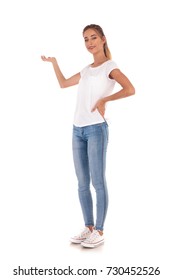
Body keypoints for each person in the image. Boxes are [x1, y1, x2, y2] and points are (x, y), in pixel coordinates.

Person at [41, 24, 135, 248]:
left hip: (96, 129)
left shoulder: (110, 67)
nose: (89, 42)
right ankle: (88, 227)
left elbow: (130, 89)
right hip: (77, 129)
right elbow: (64, 84)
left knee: (97, 182)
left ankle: (100, 230)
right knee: (82, 183)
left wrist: (105, 100)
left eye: (93, 37)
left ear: (103, 39)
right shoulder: (86, 70)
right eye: (85, 39)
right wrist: (54, 63)